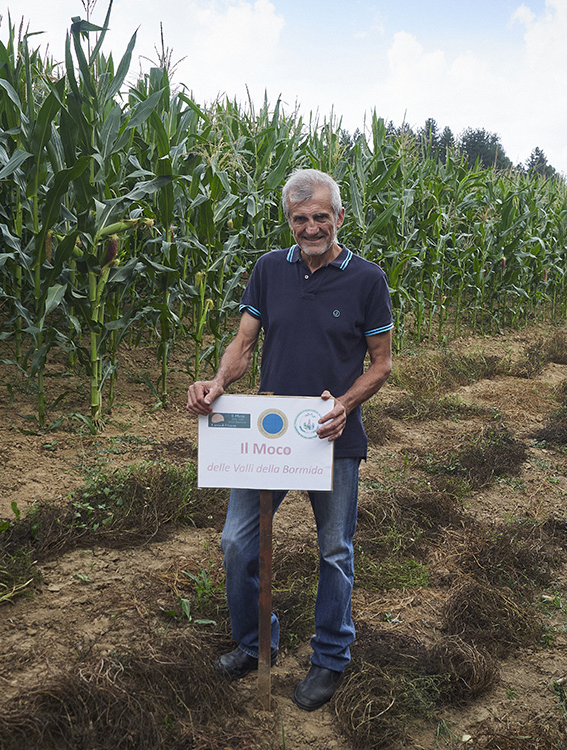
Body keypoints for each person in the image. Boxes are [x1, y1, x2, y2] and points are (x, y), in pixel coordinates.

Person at [185, 168, 393, 711]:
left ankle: (329, 657)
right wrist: (218, 381)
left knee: (335, 551)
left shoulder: (367, 280)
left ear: (339, 218)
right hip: (271, 434)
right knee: (236, 543)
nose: (310, 227)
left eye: (320, 217)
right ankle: (257, 643)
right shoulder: (269, 270)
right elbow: (243, 341)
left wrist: (344, 405)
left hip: (331, 436)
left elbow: (381, 364)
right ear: (289, 220)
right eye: (300, 219)